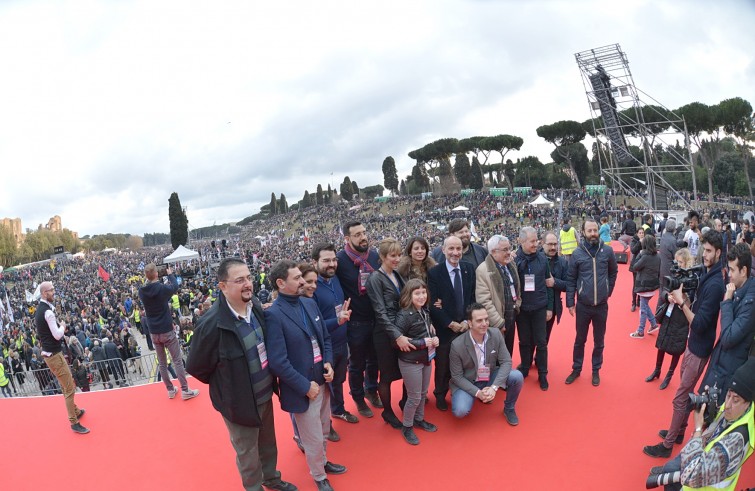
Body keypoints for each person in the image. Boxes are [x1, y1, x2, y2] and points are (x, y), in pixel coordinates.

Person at [187, 258, 297, 491]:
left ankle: (271, 479)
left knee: (268, 443)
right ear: (223, 286)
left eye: (248, 277)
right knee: (247, 454)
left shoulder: (255, 306)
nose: (248, 284)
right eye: (239, 280)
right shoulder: (211, 325)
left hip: (265, 394)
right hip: (238, 403)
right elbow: (197, 367)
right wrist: (229, 385)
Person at [265, 260, 345, 491]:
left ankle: (323, 462)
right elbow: (278, 362)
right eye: (297, 278)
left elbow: (325, 339)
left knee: (324, 430)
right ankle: (319, 476)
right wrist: (304, 386)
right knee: (311, 438)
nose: (303, 281)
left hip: (323, 380)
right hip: (304, 389)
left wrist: (328, 363)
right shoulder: (274, 315)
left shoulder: (309, 304)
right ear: (281, 283)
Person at [644, 230, 725, 458]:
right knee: (684, 391)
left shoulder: (715, 284)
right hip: (695, 344)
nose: (705, 254)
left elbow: (698, 323)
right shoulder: (708, 275)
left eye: (709, 251)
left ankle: (668, 445)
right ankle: (678, 433)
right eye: (704, 249)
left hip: (698, 347)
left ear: (719, 252)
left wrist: (681, 303)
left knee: (681, 396)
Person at [645, 358, 755, 491]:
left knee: (672, 478)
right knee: (670, 468)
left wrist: (698, 429)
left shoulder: (738, 439)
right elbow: (715, 431)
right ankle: (667, 471)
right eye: (728, 395)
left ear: (748, 403)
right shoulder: (737, 412)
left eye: (736, 400)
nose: (728, 405)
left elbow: (691, 475)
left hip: (698, 483)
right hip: (702, 455)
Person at [697, 242, 755, 403]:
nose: (729, 274)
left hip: (730, 371)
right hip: (722, 364)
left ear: (743, 271)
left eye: (732, 270)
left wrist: (727, 301)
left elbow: (728, 337)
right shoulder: (740, 290)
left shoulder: (750, 301)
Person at [335, 220, 382, 418]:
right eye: (357, 234)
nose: (363, 237)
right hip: (355, 323)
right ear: (347, 238)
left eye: (364, 232)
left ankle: (371, 389)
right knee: (356, 364)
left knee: (375, 360)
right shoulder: (340, 260)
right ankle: (358, 397)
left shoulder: (373, 255)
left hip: (375, 318)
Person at [449, 303, 523, 425]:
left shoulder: (496, 334)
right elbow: (457, 377)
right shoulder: (457, 345)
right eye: (479, 320)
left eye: (486, 319)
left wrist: (494, 387)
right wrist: (478, 393)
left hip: (489, 376)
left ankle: (509, 408)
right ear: (470, 323)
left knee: (517, 376)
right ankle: (473, 395)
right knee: (460, 411)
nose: (484, 323)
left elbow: (506, 361)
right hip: (469, 381)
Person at [565, 218, 618, 387]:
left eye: (595, 230)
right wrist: (570, 302)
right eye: (590, 231)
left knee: (599, 341)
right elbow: (571, 279)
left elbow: (613, 272)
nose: (593, 234)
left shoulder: (607, 251)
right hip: (583, 305)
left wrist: (607, 291)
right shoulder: (577, 253)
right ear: (584, 232)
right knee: (580, 340)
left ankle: (596, 370)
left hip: (601, 306)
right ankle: (576, 368)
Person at [366, 238, 411, 429]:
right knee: (386, 375)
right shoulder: (375, 278)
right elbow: (380, 311)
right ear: (382, 257)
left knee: (408, 370)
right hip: (384, 334)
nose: (397, 258)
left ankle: (403, 402)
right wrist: (396, 335)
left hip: (400, 330)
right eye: (393, 255)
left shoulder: (397, 275)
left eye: (399, 255)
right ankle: (388, 412)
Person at [428, 235, 476, 411]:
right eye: (451, 249)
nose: (455, 252)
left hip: (465, 327)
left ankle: (464, 391)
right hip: (444, 329)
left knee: (466, 362)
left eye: (458, 249)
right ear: (443, 250)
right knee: (443, 365)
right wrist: (450, 323)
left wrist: (466, 321)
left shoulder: (469, 269)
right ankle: (440, 394)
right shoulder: (434, 273)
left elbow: (472, 298)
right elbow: (432, 303)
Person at [311, 244, 356, 425]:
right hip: (324, 347)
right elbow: (315, 325)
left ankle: (337, 411)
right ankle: (324, 424)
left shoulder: (335, 279)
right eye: (326, 261)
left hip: (341, 341)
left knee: (337, 381)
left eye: (334, 260)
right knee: (323, 388)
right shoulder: (311, 287)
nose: (331, 264)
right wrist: (337, 321)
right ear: (315, 262)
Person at [139, 263, 199, 400]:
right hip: (166, 329)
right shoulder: (161, 288)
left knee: (162, 363)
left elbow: (147, 285)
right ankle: (185, 390)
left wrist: (150, 277)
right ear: (156, 274)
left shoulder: (142, 291)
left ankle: (170, 390)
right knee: (177, 360)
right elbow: (175, 286)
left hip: (154, 332)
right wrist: (170, 273)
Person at [35, 281, 89, 434]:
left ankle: (76, 411)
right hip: (54, 355)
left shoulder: (41, 310)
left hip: (50, 354)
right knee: (69, 388)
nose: (54, 292)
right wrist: (63, 326)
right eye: (51, 290)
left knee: (66, 384)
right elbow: (58, 335)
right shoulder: (48, 313)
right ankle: (74, 422)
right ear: (45, 293)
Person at [394, 278, 439, 445]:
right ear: (409, 295)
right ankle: (407, 426)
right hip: (410, 362)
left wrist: (434, 339)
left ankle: (419, 419)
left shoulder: (424, 311)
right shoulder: (404, 315)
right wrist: (422, 343)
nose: (421, 296)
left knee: (422, 394)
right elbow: (396, 340)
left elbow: (426, 332)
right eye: (417, 293)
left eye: (423, 292)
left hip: (426, 359)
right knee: (413, 397)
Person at [646, 248, 693, 390]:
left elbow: (692, 302)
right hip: (669, 313)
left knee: (676, 347)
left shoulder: (691, 279)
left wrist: (682, 299)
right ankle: (657, 370)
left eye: (680, 262)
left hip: (681, 317)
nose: (677, 264)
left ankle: (669, 375)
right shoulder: (673, 273)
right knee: (661, 343)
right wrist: (668, 297)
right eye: (676, 261)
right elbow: (663, 291)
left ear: (686, 263)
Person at [514, 226, 551, 389]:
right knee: (524, 341)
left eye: (536, 240)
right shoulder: (514, 260)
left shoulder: (543, 259)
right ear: (521, 241)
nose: (536, 244)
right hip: (521, 309)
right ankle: (525, 366)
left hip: (539, 307)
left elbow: (549, 283)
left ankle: (543, 374)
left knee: (541, 342)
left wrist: (549, 307)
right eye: (532, 241)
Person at [475, 235, 520, 365]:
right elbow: (484, 301)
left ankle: (505, 377)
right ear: (493, 252)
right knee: (493, 356)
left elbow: (517, 287)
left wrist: (517, 304)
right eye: (504, 249)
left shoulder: (511, 264)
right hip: (496, 323)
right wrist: (499, 323)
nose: (508, 252)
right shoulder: (483, 270)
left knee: (507, 351)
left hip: (511, 317)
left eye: (509, 248)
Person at [629, 234, 661, 338]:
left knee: (643, 309)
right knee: (645, 306)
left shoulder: (645, 257)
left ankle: (640, 331)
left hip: (644, 286)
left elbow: (635, 266)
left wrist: (640, 254)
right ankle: (653, 324)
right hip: (652, 286)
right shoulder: (658, 256)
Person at [542, 231, 568, 346]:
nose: (553, 247)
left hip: (552, 307)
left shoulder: (563, 262)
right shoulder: (534, 258)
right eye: (550, 244)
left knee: (545, 337)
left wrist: (555, 283)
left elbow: (569, 285)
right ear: (542, 244)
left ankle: (540, 359)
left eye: (555, 244)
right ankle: (526, 361)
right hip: (534, 306)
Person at [658, 219, 679, 308]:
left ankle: (659, 309)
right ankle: (662, 310)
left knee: (662, 289)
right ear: (674, 228)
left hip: (661, 266)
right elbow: (676, 256)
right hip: (669, 268)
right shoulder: (673, 240)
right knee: (667, 291)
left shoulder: (663, 237)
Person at [629, 227, 646, 312]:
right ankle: (633, 303)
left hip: (643, 265)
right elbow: (633, 250)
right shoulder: (634, 241)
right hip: (635, 265)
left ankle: (639, 300)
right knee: (635, 285)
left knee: (641, 284)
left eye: (642, 233)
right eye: (640, 233)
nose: (641, 234)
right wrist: (639, 242)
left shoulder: (646, 240)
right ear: (637, 233)